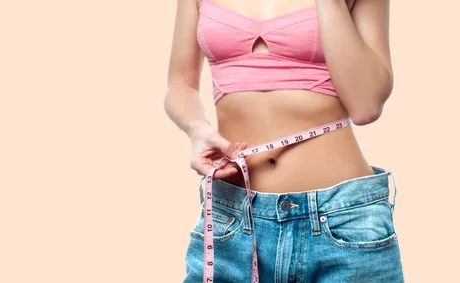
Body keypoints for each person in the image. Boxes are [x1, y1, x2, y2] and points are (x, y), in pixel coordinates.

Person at [164, 0, 405, 281]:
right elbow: (180, 85)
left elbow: (366, 106)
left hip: (342, 220)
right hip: (232, 218)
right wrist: (197, 129)